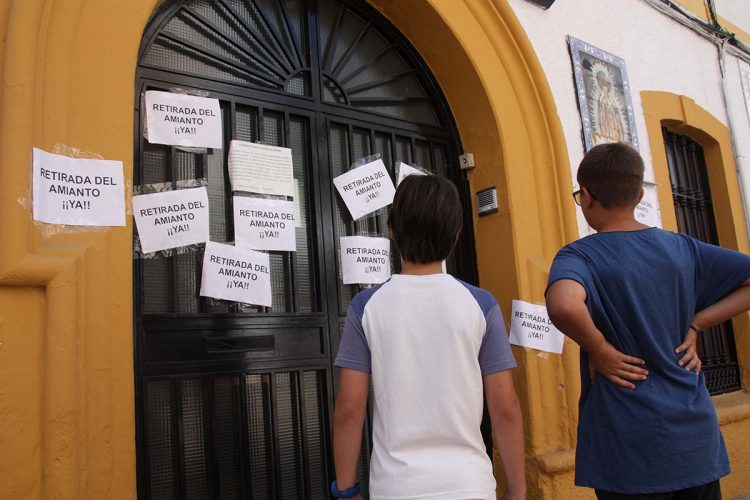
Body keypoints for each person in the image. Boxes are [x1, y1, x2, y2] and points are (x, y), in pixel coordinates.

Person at [545, 142, 750, 499]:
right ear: (640, 194)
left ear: (587, 197)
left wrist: (599, 348)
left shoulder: (580, 255)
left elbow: (563, 305)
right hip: (694, 441)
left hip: (628, 449)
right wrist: (697, 324)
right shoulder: (683, 247)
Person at [331, 175, 526, 500]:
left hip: (396, 488)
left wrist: (345, 489)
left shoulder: (366, 308)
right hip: (470, 485)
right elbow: (505, 407)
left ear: (392, 231)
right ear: (456, 235)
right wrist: (517, 491)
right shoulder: (481, 305)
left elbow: (350, 407)